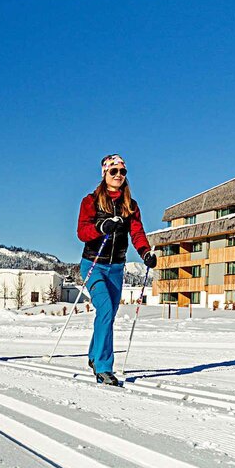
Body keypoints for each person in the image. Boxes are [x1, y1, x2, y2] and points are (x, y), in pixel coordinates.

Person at [77, 154, 157, 385]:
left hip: (116, 267)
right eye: (114, 171)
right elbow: (82, 232)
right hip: (94, 264)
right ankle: (103, 367)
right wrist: (102, 226)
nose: (119, 175)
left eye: (122, 171)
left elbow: (137, 232)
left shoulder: (130, 205)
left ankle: (94, 355)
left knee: (109, 314)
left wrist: (145, 253)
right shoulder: (90, 201)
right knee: (104, 309)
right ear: (105, 174)